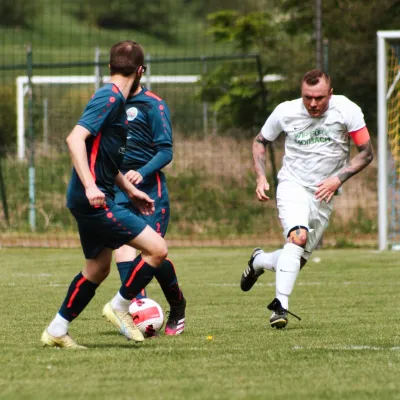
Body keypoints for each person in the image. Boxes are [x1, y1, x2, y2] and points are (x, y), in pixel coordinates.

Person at [41, 41, 168, 349]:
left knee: (97, 268)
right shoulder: (109, 97)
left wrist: (130, 189)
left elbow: (104, 159)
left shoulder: (116, 100)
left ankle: (57, 330)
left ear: (111, 66)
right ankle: (121, 306)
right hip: (93, 200)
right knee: (157, 249)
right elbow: (75, 140)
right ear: (141, 71)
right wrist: (90, 186)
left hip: (96, 196)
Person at [240, 69, 374, 329]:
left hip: (323, 194)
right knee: (297, 237)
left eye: (319, 98)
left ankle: (258, 261)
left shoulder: (347, 110)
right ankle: (280, 307)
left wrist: (338, 179)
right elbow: (259, 141)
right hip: (292, 185)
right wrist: (260, 177)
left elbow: (366, 153)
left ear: (330, 94)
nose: (313, 103)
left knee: (295, 258)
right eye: (307, 97)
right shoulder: (285, 111)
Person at [113, 74, 186, 337]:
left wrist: (142, 172)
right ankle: (138, 311)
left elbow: (166, 151)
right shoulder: (108, 102)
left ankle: (177, 304)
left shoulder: (153, 104)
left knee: (153, 252)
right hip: (118, 191)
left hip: (150, 192)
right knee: (122, 249)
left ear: (140, 71)